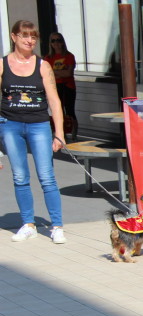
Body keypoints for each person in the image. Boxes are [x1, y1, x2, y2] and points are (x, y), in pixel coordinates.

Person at [1, 20, 67, 244]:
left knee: (47, 177)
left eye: (33, 37)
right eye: (24, 36)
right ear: (14, 37)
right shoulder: (2, 65)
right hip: (10, 124)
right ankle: (28, 223)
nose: (29, 41)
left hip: (39, 124)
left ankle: (57, 226)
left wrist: (59, 133)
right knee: (20, 177)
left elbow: (54, 101)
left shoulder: (43, 65)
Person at [44, 32, 77, 141]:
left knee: (70, 110)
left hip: (68, 86)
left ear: (62, 42)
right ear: (51, 44)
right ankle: (61, 134)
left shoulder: (69, 56)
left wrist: (54, 72)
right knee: (58, 110)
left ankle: (73, 135)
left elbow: (68, 73)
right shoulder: (48, 58)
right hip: (54, 87)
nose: (56, 43)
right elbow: (46, 74)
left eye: (58, 40)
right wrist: (59, 72)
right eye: (53, 41)